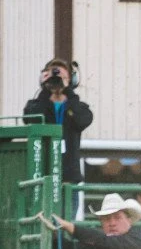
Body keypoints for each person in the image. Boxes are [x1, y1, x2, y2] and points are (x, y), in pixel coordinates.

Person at [24, 58, 93, 210]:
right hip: (42, 176)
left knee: (66, 220)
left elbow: (82, 120)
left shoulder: (78, 107)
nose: (57, 80)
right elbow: (30, 118)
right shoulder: (36, 105)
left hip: (68, 179)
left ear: (71, 80)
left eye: (62, 76)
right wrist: (46, 89)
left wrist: (68, 91)